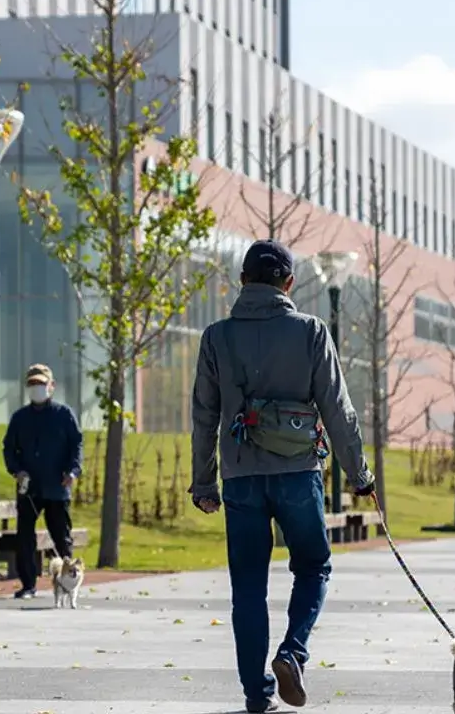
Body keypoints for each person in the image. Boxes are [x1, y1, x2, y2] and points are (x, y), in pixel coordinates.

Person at [189, 240, 374, 714]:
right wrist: (360, 474)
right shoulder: (311, 332)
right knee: (313, 566)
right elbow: (338, 408)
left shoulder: (215, 337)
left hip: (242, 477)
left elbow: (204, 416)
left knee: (248, 585)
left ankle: (257, 693)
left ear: (244, 280)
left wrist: (205, 482)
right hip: (297, 472)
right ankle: (293, 651)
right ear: (289, 283)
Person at [1, 364, 83, 600]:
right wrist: (16, 471)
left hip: (57, 486)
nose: (37, 388)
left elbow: (76, 445)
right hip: (29, 488)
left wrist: (73, 471)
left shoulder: (63, 415)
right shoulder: (20, 418)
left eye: (41, 384)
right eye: (33, 384)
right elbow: (9, 448)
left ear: (51, 386)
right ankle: (28, 584)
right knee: (25, 537)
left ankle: (68, 581)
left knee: (61, 537)